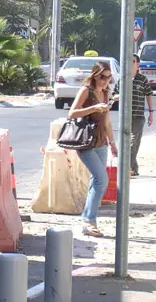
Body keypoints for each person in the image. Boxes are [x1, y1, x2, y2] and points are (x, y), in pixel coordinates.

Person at [68, 61, 119, 237]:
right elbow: (72, 113)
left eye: (109, 77)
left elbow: (107, 121)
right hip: (85, 141)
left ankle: (90, 221)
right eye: (103, 77)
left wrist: (112, 143)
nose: (106, 81)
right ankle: (88, 220)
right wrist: (92, 108)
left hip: (101, 142)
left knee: (95, 181)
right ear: (95, 75)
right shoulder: (86, 91)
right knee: (101, 180)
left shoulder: (106, 93)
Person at [130, 54, 154, 176]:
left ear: (137, 64)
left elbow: (149, 95)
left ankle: (128, 167)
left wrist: (151, 112)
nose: (130, 63)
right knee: (133, 143)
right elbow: (114, 95)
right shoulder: (123, 79)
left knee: (133, 141)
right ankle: (134, 168)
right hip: (126, 117)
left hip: (139, 116)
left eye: (133, 61)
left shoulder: (143, 79)